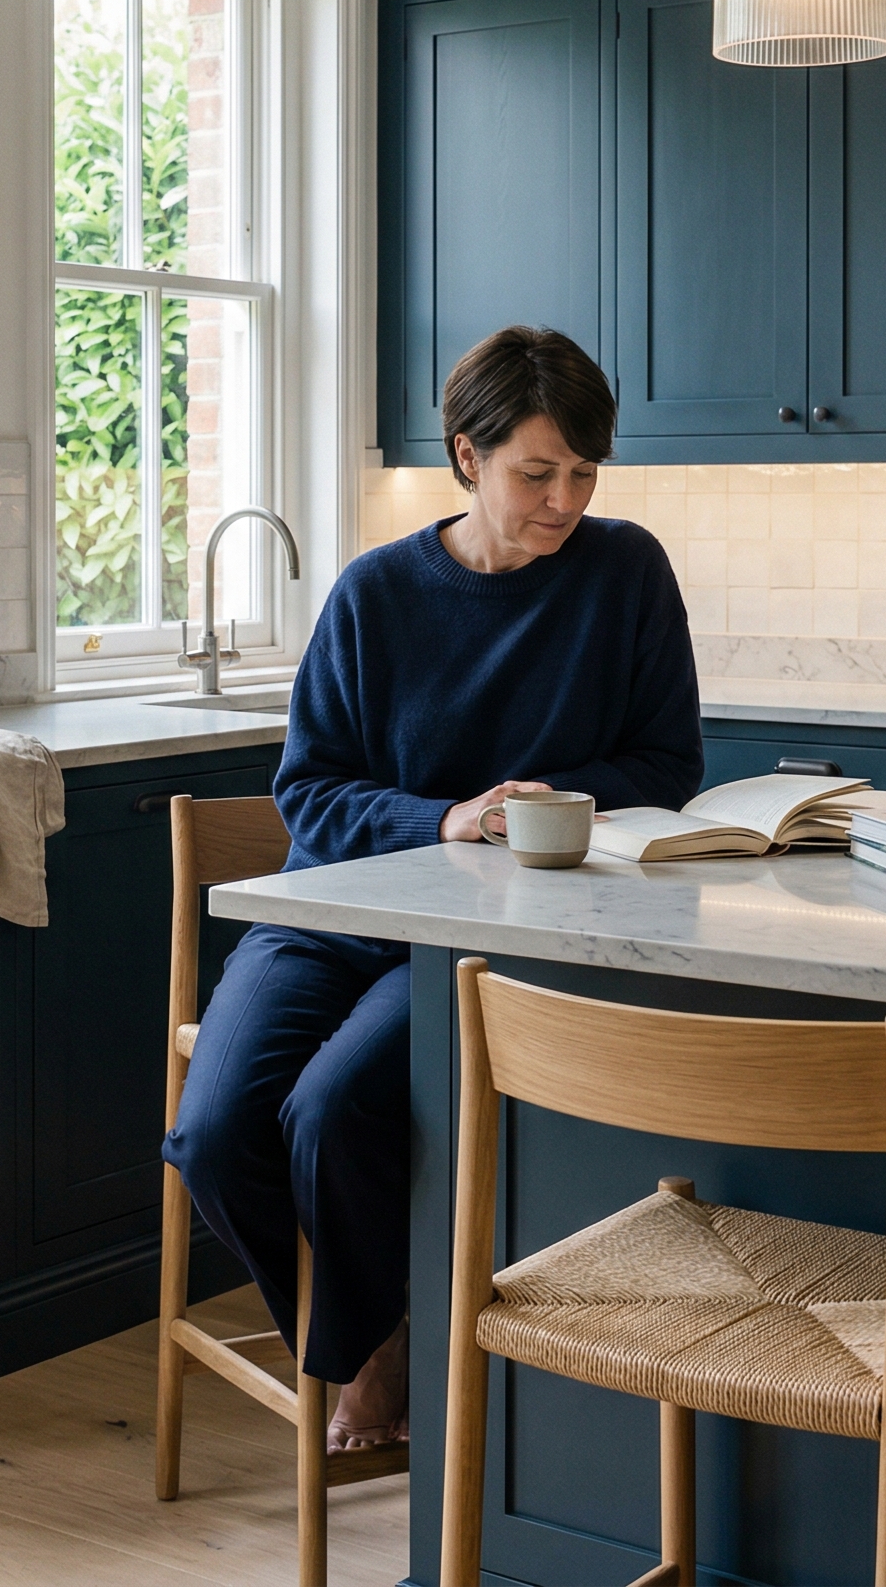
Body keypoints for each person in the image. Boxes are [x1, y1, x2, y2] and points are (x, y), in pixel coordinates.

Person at [162, 325, 704, 1451]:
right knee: (212, 1134)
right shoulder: (373, 596)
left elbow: (667, 767)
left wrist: (552, 795)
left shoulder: (624, 572)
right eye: (536, 472)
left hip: (492, 928)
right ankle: (369, 1334)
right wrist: (444, 815)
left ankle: (369, 1348)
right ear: (466, 454)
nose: (565, 499)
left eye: (584, 472)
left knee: (330, 1107)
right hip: (335, 915)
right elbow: (306, 789)